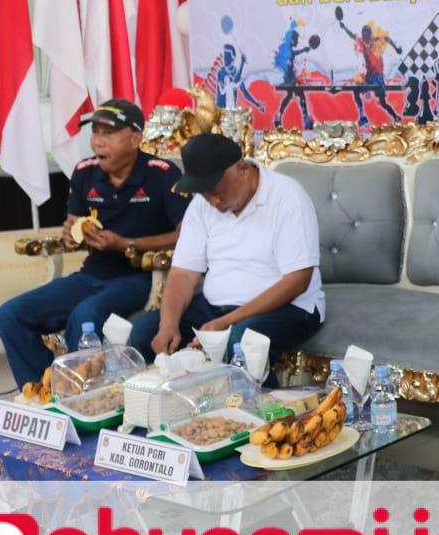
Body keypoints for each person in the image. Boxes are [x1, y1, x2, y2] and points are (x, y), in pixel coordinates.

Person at [0, 101, 187, 387]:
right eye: (95, 132)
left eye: (109, 133)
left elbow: (186, 235)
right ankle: (44, 389)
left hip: (141, 277)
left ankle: (84, 396)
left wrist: (127, 244)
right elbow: (75, 224)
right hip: (92, 274)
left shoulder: (161, 173)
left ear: (135, 138)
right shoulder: (85, 172)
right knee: (10, 315)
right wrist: (72, 235)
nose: (98, 141)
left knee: (84, 315)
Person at [127, 133, 324, 367]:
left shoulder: (287, 196)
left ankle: (259, 393)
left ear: (242, 169)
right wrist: (167, 324)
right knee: (143, 332)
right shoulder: (201, 205)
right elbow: (183, 273)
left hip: (288, 308)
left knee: (240, 343)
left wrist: (227, 322)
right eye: (204, 193)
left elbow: (297, 281)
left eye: (217, 191)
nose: (212, 201)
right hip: (216, 308)